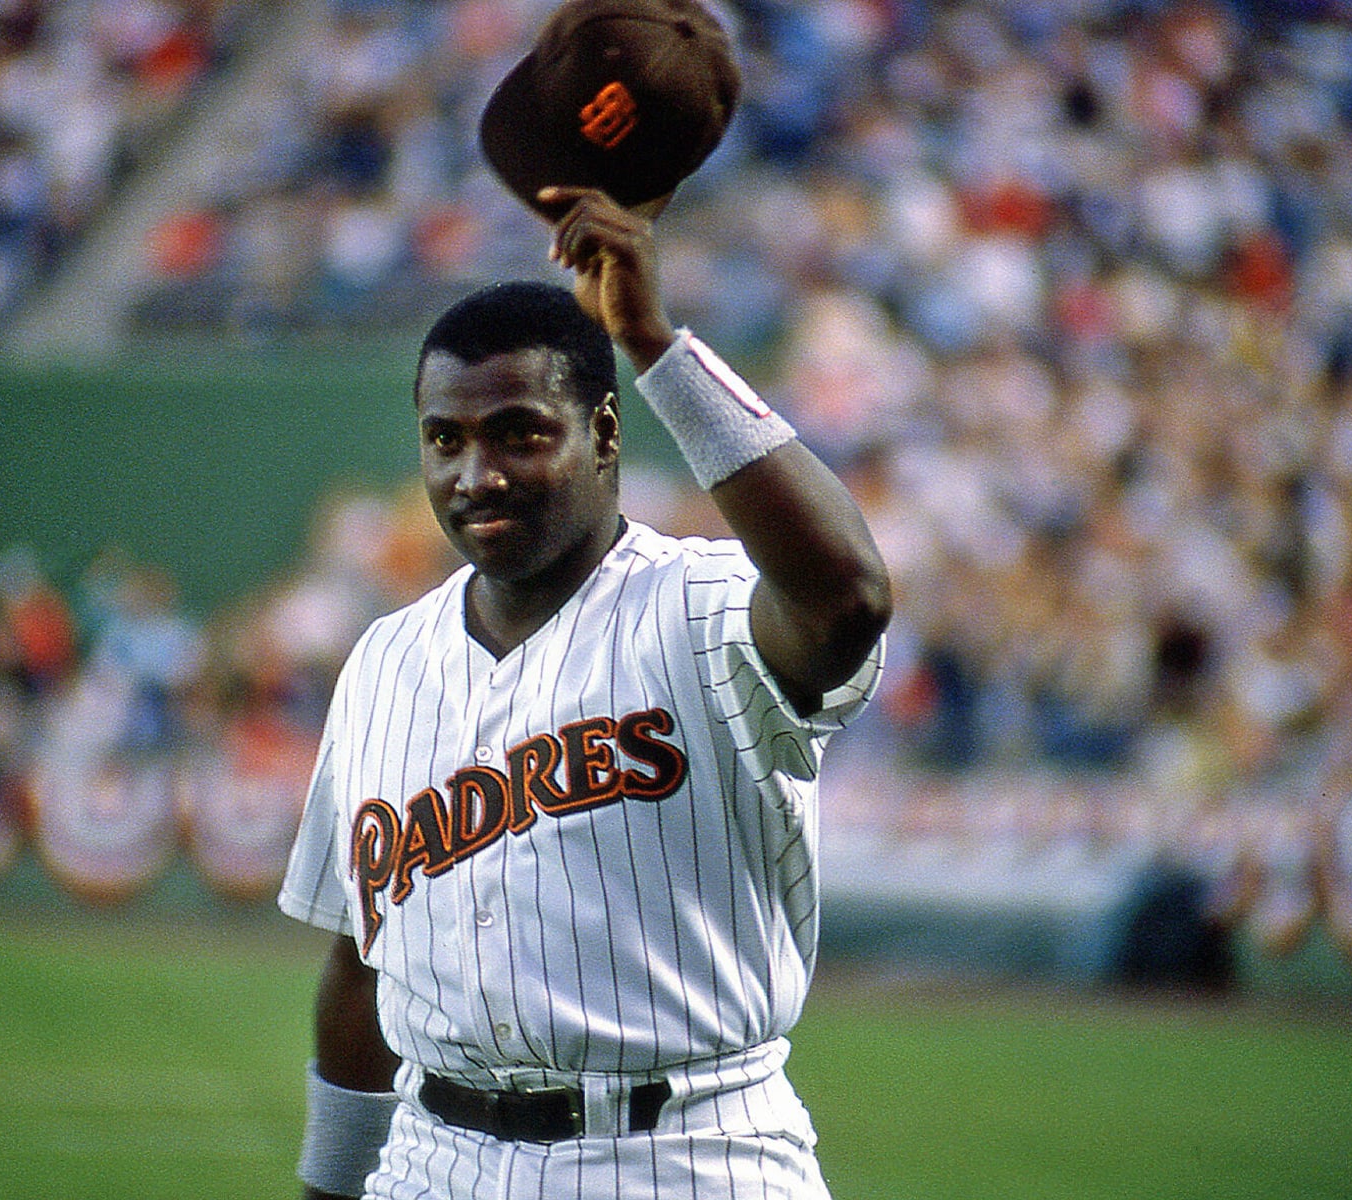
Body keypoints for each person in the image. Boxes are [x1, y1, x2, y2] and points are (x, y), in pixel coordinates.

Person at [277, 185, 892, 1199]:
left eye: (519, 433)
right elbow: (360, 963)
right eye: (446, 440)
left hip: (686, 1151)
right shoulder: (382, 662)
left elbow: (848, 599)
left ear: (605, 433)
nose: (476, 473)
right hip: (436, 1159)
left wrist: (655, 344)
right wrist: (329, 1191)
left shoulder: (703, 609)